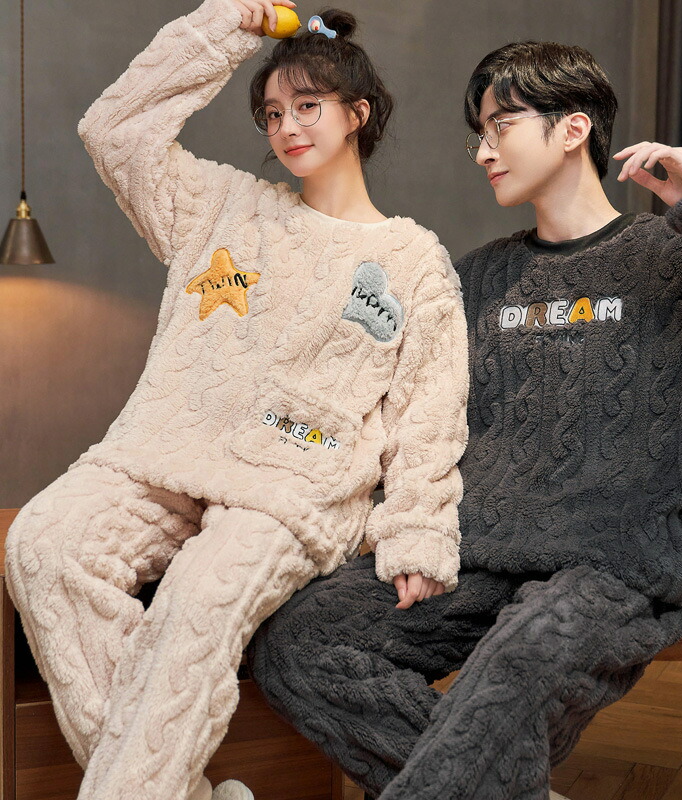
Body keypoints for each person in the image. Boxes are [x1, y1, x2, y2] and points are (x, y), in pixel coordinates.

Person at [246, 38, 682, 800]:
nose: (483, 151)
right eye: (478, 133)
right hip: (477, 559)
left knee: (517, 666)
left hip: (613, 569)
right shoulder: (475, 278)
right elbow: (412, 422)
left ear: (572, 129)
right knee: (297, 639)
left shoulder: (681, 259)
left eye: (500, 126)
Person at [3, 1, 468, 799]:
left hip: (296, 485)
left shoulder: (411, 258)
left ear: (358, 113)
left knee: (199, 597)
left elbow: (430, 406)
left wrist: (417, 532)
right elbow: (114, 131)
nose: (287, 127)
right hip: (169, 451)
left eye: (308, 106)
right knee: (42, 543)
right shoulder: (218, 207)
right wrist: (227, 27)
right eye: (273, 113)